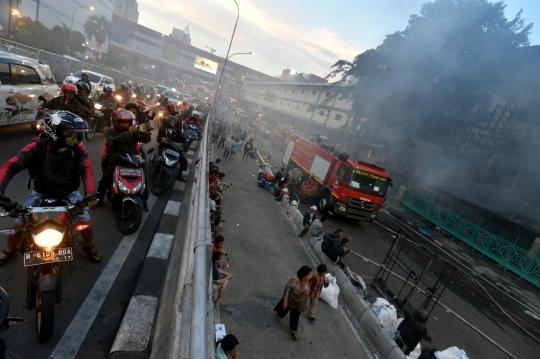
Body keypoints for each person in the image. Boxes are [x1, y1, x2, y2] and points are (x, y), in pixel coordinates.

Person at [0, 111, 101, 265]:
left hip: (70, 193)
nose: (74, 135)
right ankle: (10, 250)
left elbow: (86, 170)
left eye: (74, 131)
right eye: (68, 131)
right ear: (54, 132)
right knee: (20, 223)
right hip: (41, 192)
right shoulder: (36, 147)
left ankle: (89, 245)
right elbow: (11, 166)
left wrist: (90, 193)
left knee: (86, 222)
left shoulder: (78, 150)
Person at [96, 109, 151, 211]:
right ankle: (99, 200)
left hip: (132, 159)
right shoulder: (110, 131)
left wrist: (145, 132)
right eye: (124, 122)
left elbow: (147, 140)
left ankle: (144, 201)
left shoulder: (133, 132)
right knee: (104, 181)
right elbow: (112, 141)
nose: (126, 124)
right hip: (116, 159)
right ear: (116, 121)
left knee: (144, 180)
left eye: (127, 122)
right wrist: (127, 134)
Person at [274, 265, 312, 340]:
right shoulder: (293, 281)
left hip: (298, 304)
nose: (310, 276)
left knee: (295, 317)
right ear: (304, 275)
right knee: (282, 312)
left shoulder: (309, 281)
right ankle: (279, 316)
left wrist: (305, 301)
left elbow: (308, 291)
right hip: (289, 302)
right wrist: (285, 302)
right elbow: (287, 291)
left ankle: (293, 331)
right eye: (309, 274)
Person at [157, 115, 188, 181]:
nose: (174, 123)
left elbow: (181, 140)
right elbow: (158, 139)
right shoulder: (162, 129)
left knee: (184, 160)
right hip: (164, 147)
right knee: (159, 159)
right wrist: (162, 139)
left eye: (174, 122)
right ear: (167, 122)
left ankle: (179, 175)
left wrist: (185, 136)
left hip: (173, 149)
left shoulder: (176, 130)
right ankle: (156, 171)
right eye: (172, 122)